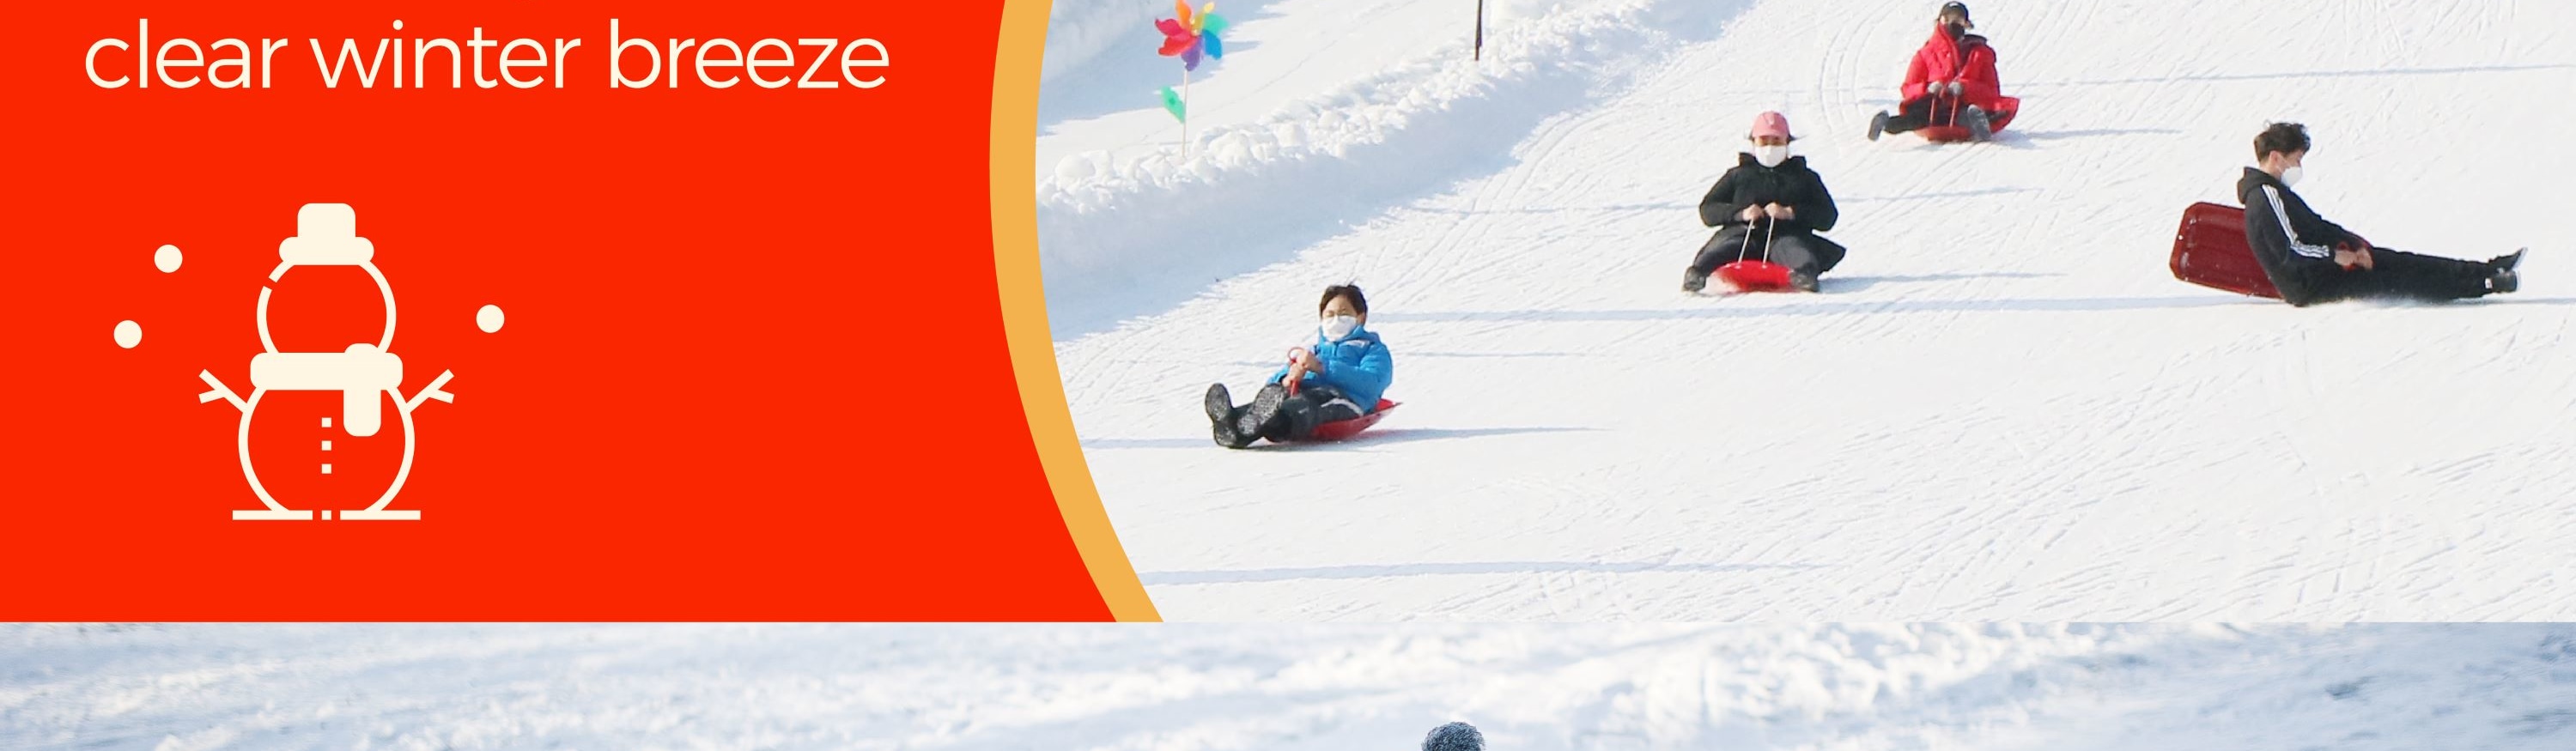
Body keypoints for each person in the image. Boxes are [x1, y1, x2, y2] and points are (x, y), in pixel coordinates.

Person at [2239, 122, 2521, 306]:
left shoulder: (2273, 193)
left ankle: (2487, 269)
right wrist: (2334, 255)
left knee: (2401, 261)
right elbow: (2291, 251)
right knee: (2399, 279)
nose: (2298, 167)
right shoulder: (2265, 197)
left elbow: (2317, 226)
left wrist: (2354, 243)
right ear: (2276, 158)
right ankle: (2485, 285)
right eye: (2296, 160)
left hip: (2327, 270)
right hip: (2314, 286)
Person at [1204, 284, 1394, 448]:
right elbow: (1272, 383)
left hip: (1344, 399)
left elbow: (1372, 382)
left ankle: (1270, 422)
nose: (1335, 319)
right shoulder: (1313, 349)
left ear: (1360, 318)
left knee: (1304, 405)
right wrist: (1287, 379)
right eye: (1330, 315)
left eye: (1343, 314)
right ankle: (1232, 425)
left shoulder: (1372, 349)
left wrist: (1322, 367)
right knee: (1275, 401)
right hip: (1300, 391)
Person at [1684, 112, 1845, 294]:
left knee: (1795, 250)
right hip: (1743, 235)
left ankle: (1805, 274)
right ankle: (1697, 274)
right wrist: (1740, 213)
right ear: (1753, 142)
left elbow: (1828, 216)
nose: (1770, 147)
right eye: (1763, 141)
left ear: (1787, 142)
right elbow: (1708, 209)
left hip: (1786, 236)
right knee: (1724, 248)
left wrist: (1791, 212)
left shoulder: (1804, 177)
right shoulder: (1738, 175)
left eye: (1776, 141)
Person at [1868, 2, 2009, 142]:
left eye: (1957, 20)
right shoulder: (1925, 54)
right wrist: (1927, 88)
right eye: (1946, 19)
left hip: (1963, 105)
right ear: (1939, 21)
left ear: (1966, 24)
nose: (1951, 24)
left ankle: (1980, 122)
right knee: (1918, 118)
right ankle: (1885, 123)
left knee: (1966, 114)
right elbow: (1908, 88)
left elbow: (1991, 90)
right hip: (1932, 107)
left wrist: (1965, 88)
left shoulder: (1980, 53)